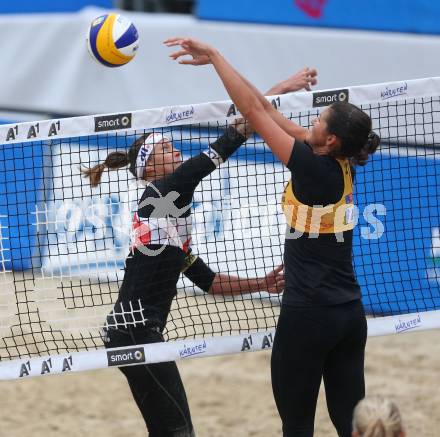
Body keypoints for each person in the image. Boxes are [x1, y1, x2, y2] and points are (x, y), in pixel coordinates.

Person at [80, 68, 315, 437]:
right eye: (165, 149)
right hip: (133, 334)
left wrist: (263, 283)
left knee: (170, 429)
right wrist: (283, 88)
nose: (175, 150)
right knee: (178, 430)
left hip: (132, 333)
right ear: (150, 169)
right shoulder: (163, 193)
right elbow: (239, 130)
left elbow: (208, 282)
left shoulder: (171, 216)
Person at [165, 37, 380, 437]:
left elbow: (251, 111)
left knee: (296, 426)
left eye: (320, 120)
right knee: (353, 426)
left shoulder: (312, 170)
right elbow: (263, 108)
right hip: (349, 313)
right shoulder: (339, 161)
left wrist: (214, 56)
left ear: (330, 139)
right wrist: (276, 86)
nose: (312, 122)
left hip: (308, 316)